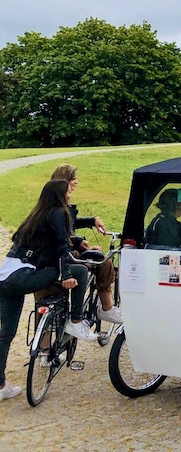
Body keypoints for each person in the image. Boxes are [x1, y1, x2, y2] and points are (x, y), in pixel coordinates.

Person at [1, 180, 97, 401]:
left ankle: (0, 385)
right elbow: (63, 248)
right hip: (25, 276)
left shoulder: (35, 215)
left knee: (5, 334)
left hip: (5, 278)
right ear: (60, 195)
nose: (71, 195)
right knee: (81, 272)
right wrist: (67, 275)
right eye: (68, 192)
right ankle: (75, 321)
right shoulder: (57, 213)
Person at [39, 164, 121, 324]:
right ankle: (106, 308)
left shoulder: (47, 203)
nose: (76, 182)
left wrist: (90, 222)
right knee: (103, 262)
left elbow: (63, 228)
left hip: (49, 256)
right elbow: (61, 237)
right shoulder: (59, 208)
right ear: (65, 182)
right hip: (61, 257)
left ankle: (43, 347)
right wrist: (78, 244)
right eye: (73, 179)